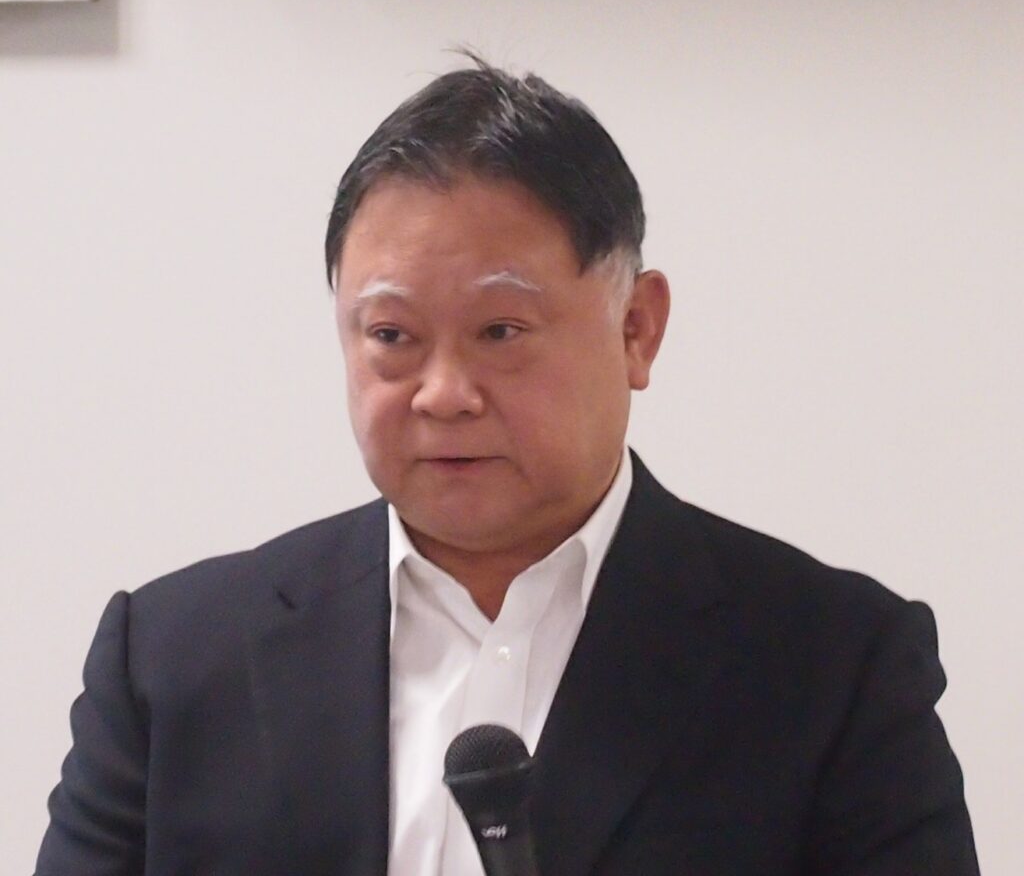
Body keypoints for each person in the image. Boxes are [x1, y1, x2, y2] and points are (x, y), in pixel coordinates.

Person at [36, 57, 979, 875]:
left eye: (500, 331)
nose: (444, 393)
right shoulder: (171, 661)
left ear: (637, 328)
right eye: (393, 336)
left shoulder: (830, 668)